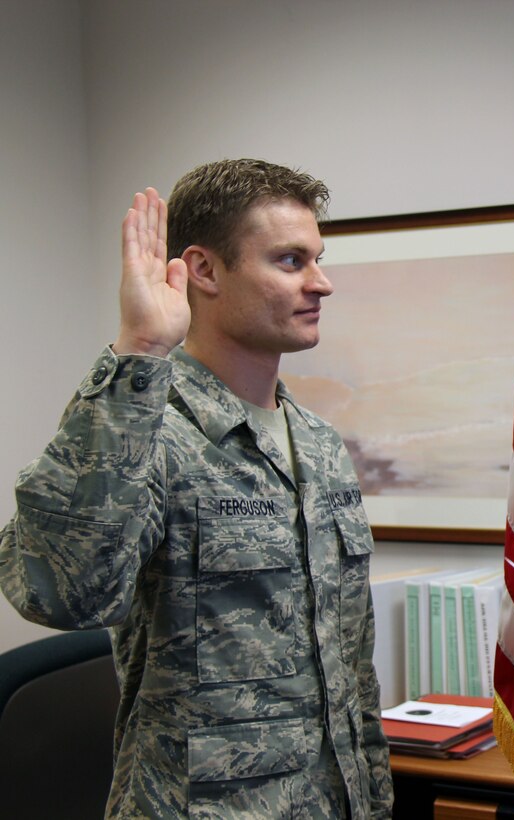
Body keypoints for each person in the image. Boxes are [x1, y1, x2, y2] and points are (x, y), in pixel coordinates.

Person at [0, 159, 394, 817]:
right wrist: (140, 351)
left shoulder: (321, 446)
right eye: (291, 261)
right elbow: (59, 593)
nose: (320, 283)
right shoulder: (143, 426)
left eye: (317, 259)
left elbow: (352, 671)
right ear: (205, 271)